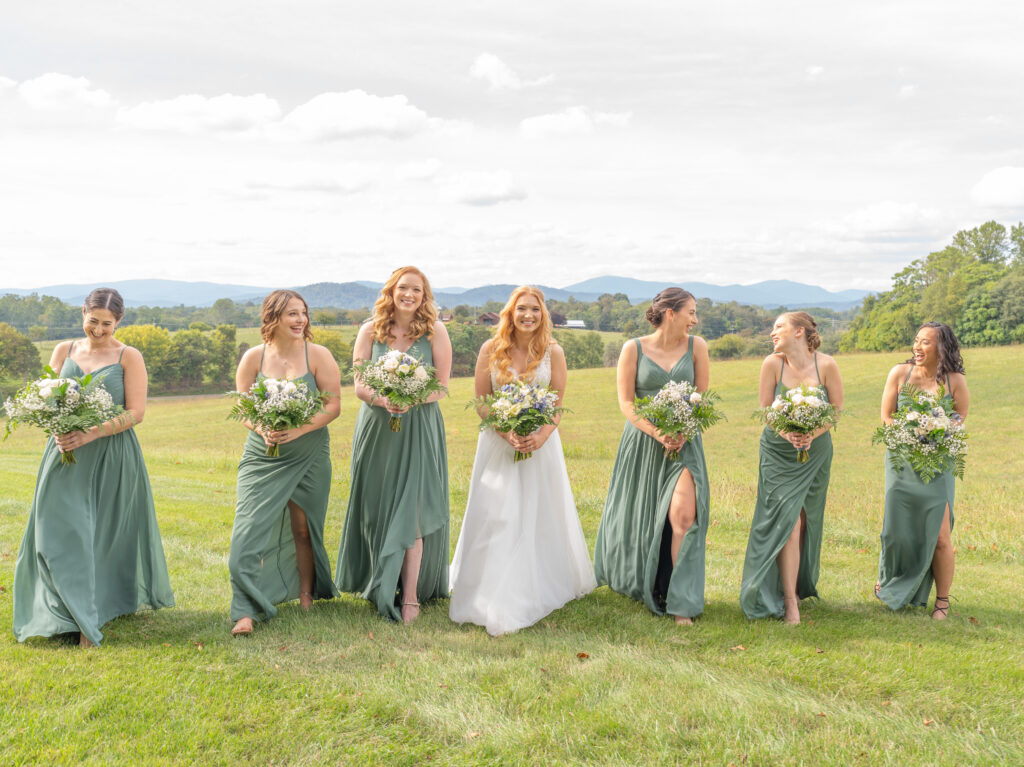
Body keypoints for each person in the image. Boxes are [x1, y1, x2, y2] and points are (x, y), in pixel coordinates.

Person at [12, 287, 174, 647]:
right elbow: (46, 398)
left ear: (118, 321)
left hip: (110, 454)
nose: (99, 330)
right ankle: (57, 609)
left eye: (107, 324)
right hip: (62, 454)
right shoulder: (64, 350)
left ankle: (87, 620)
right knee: (54, 532)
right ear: (82, 313)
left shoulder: (128, 356)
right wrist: (55, 425)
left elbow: (136, 413)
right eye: (93, 321)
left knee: (97, 535)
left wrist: (89, 434)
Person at [449, 286, 596, 636]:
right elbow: (483, 402)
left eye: (534, 309)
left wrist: (540, 436)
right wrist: (506, 432)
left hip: (540, 445)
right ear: (510, 314)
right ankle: (487, 589)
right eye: (521, 309)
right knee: (497, 513)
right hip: (498, 444)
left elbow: (557, 402)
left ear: (542, 314)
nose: (528, 315)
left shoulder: (553, 352)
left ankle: (533, 585)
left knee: (536, 513)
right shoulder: (490, 349)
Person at [336, 266, 452, 624]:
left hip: (419, 427)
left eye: (417, 290)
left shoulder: (436, 331)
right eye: (404, 288)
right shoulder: (369, 331)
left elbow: (441, 386)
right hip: (376, 428)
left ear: (424, 295)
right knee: (377, 506)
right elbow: (358, 384)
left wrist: (411, 398)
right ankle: (378, 582)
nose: (409, 295)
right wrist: (385, 400)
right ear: (392, 291)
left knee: (412, 510)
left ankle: (411, 597)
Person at [593, 287, 711, 624]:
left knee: (684, 518)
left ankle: (680, 603)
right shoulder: (633, 348)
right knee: (642, 515)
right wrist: (658, 432)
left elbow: (702, 398)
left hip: (685, 444)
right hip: (644, 443)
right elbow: (627, 403)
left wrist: (684, 431)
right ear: (670, 313)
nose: (695, 319)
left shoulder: (697, 347)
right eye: (691, 312)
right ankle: (643, 581)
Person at [228, 289, 341, 636]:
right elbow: (245, 407)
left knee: (303, 529)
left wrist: (297, 430)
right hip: (262, 455)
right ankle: (245, 610)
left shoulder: (319, 356)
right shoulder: (253, 357)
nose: (300, 320)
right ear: (273, 317)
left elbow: (333, 405)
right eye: (292, 314)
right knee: (248, 532)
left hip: (308, 454)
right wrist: (260, 427)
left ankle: (307, 594)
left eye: (303, 313)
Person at [739, 312, 843, 624]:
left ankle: (796, 587)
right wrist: (787, 433)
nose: (772, 333)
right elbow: (765, 409)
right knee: (787, 522)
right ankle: (788, 601)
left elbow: (836, 411)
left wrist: (812, 433)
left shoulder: (826, 364)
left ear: (799, 332)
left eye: (778, 327)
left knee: (804, 520)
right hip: (777, 453)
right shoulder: (772, 364)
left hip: (816, 453)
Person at [875, 322, 969, 620]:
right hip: (902, 461)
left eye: (925, 342)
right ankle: (892, 583)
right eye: (916, 340)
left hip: (938, 464)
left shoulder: (955, 381)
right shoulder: (899, 373)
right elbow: (887, 417)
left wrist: (937, 432)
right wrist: (909, 432)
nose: (917, 347)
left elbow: (959, 418)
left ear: (942, 347)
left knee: (940, 536)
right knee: (896, 532)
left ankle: (942, 601)